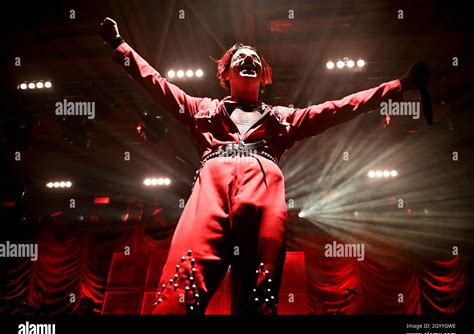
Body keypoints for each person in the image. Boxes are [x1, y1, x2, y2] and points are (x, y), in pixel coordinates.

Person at [99, 17, 429, 315]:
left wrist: (401, 85)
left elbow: (341, 107)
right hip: (210, 192)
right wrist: (119, 45)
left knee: (259, 299)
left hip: (265, 192)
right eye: (240, 57)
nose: (249, 60)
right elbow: (156, 84)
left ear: (263, 77)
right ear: (225, 73)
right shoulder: (202, 109)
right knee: (178, 294)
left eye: (255, 60)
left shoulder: (284, 118)